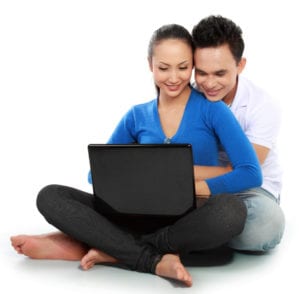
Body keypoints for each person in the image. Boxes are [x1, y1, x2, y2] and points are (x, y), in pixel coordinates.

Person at [10, 24, 262, 287]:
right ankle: (152, 259)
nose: (174, 77)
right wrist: (142, 179)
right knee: (51, 196)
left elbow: (250, 171)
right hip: (135, 214)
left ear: (192, 67)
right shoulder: (136, 115)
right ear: (150, 64)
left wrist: (192, 184)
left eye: (183, 67)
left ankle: (114, 248)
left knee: (230, 212)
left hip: (188, 221)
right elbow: (95, 173)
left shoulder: (214, 110)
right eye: (164, 68)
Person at [191, 15, 285, 251]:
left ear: (240, 65)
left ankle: (184, 235)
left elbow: (245, 171)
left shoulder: (262, 105)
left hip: (250, 190)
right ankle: (202, 234)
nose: (209, 83)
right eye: (201, 73)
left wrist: (186, 176)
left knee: (264, 227)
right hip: (199, 184)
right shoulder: (187, 98)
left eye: (220, 73)